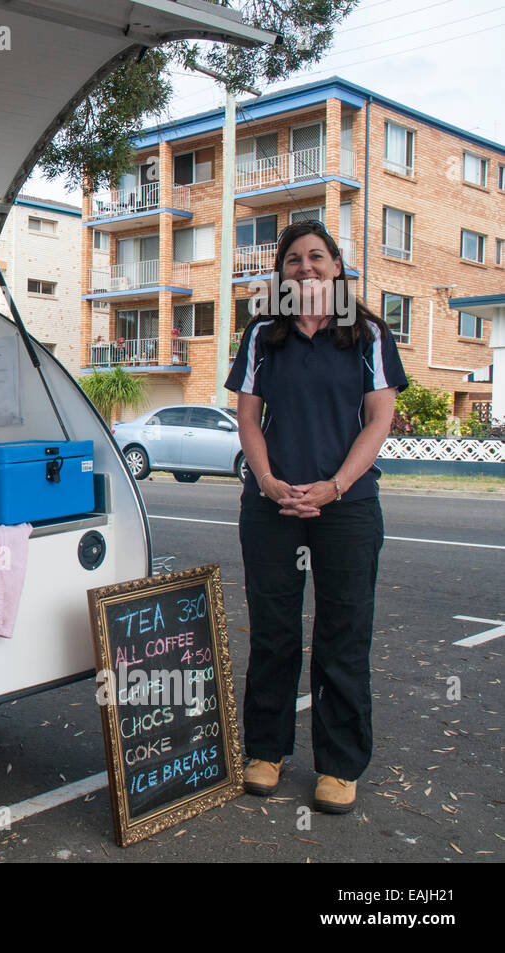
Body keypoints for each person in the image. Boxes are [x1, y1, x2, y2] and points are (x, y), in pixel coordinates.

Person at [224, 220, 407, 814]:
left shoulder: (368, 333)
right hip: (272, 505)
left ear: (337, 267)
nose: (305, 268)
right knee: (275, 632)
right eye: (294, 260)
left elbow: (379, 418)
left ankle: (339, 764)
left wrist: (333, 486)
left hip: (346, 507)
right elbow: (248, 419)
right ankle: (266, 752)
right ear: (281, 273)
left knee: (343, 634)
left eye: (317, 257)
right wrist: (271, 483)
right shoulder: (261, 335)